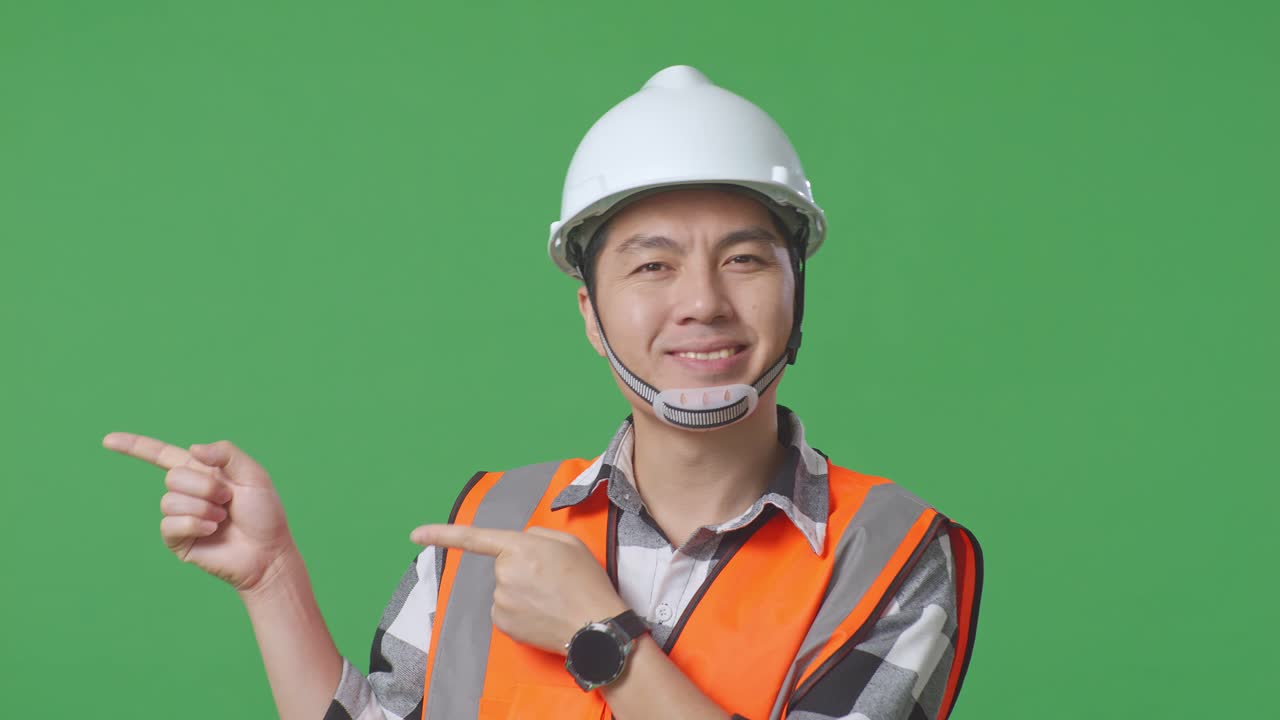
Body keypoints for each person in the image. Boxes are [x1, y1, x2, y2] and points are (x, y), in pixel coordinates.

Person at [103, 65, 982, 720]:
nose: (703, 302)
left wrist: (601, 637)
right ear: (593, 315)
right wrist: (270, 579)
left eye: (745, 258)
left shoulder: (890, 553)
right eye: (652, 265)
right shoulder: (494, 524)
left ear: (798, 291)